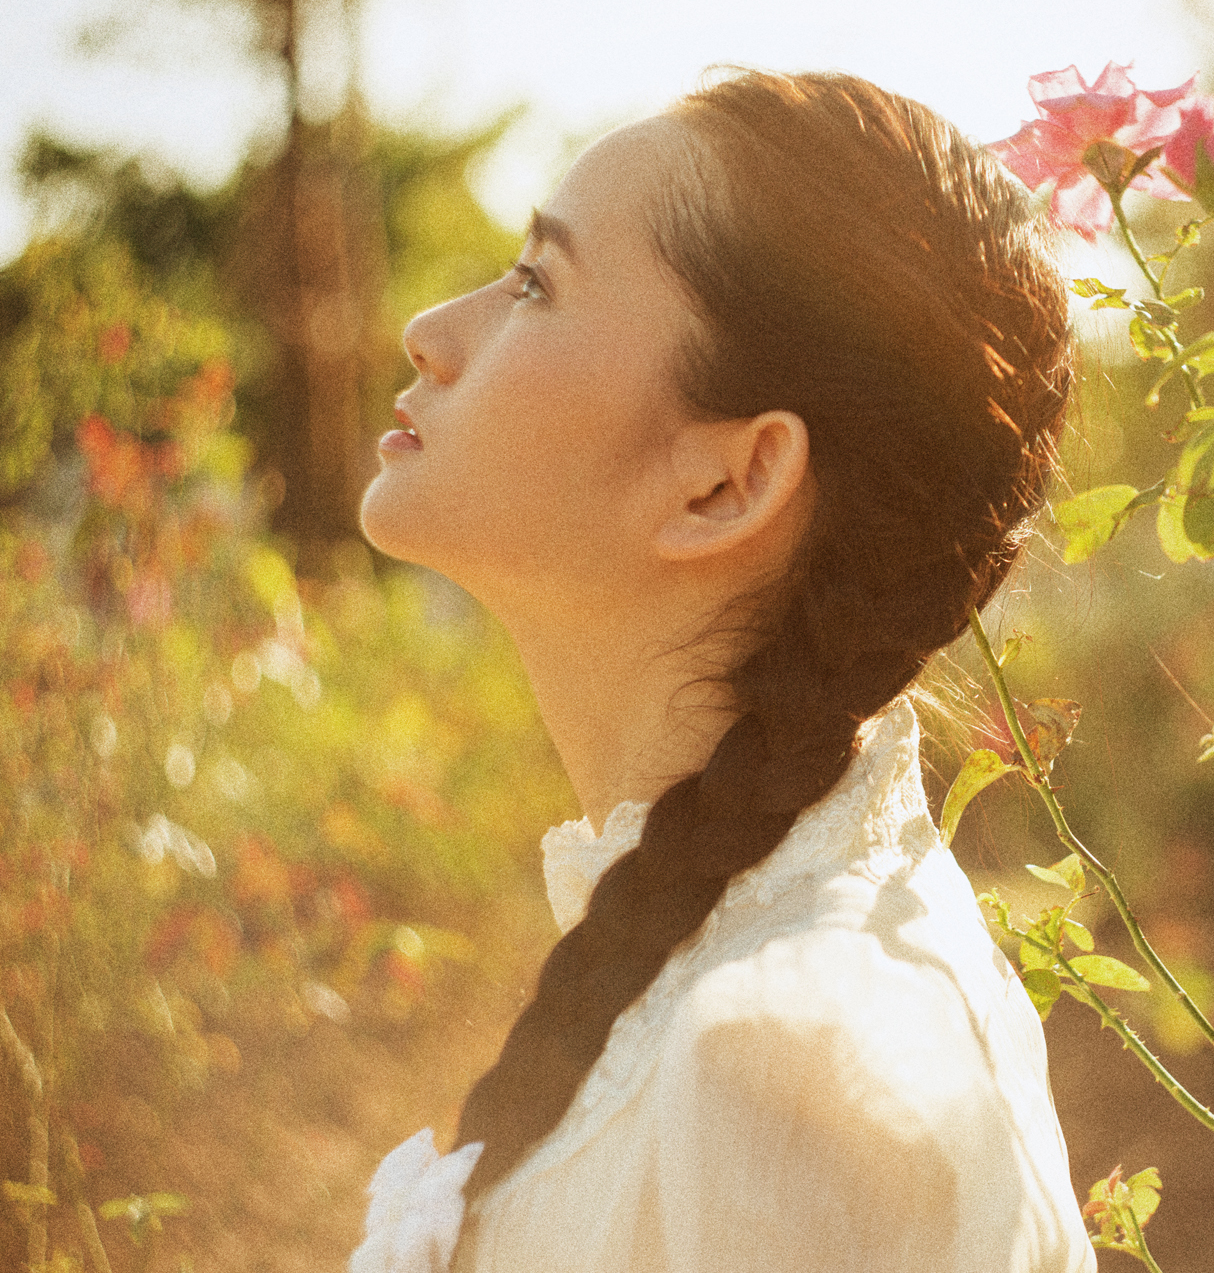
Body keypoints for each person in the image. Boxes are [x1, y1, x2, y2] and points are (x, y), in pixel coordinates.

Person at [348, 70, 1093, 1273]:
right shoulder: (717, 972)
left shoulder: (790, 1070)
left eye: (535, 283)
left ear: (726, 483)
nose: (431, 330)